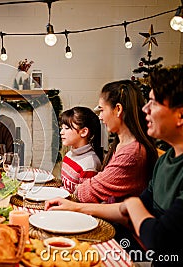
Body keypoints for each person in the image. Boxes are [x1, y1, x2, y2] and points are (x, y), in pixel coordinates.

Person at [45, 65, 183, 264]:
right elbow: (127, 210)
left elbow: (159, 240)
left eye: (153, 102)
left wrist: (132, 203)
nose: (145, 109)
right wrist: (75, 208)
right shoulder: (166, 159)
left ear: (180, 114)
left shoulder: (135, 152)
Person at [73, 80, 158, 203]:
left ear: (118, 109)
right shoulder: (121, 144)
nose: (100, 117)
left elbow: (88, 193)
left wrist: (81, 188)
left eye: (102, 110)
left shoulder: (132, 153)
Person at [59, 106, 103, 194]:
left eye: (67, 128)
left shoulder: (90, 165)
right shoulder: (69, 154)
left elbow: (84, 201)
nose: (61, 132)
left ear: (84, 132)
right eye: (61, 128)